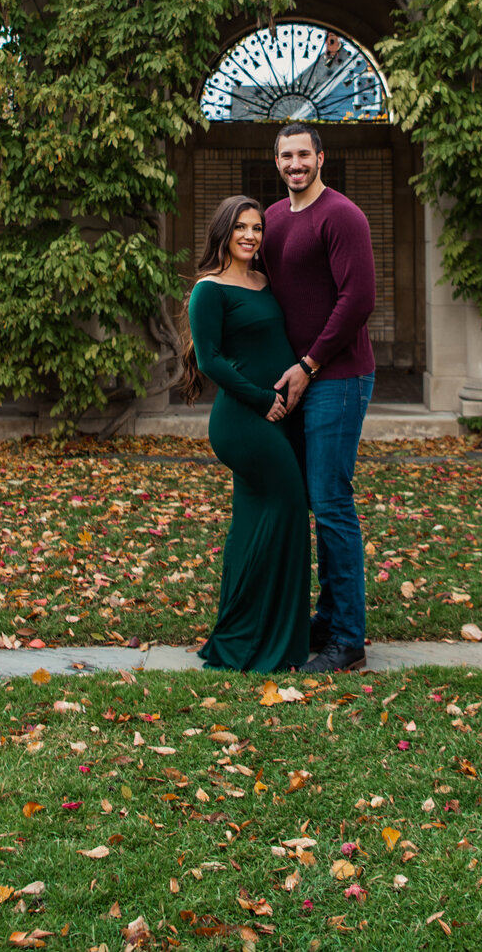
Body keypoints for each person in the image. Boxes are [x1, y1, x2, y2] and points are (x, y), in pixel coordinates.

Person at [261, 120, 375, 673]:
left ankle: (347, 639)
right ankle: (327, 621)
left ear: (321, 158)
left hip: (339, 376)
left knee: (331, 502)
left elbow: (359, 300)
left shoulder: (343, 216)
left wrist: (310, 363)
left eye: (303, 154)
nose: (295, 164)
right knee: (313, 500)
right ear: (276, 161)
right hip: (298, 377)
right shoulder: (274, 219)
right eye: (286, 156)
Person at [185, 195, 310, 673]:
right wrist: (262, 399)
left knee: (253, 521)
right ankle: (257, 636)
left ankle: (250, 630)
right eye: (240, 227)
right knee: (290, 505)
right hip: (243, 420)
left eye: (257, 228)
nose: (250, 236)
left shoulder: (263, 281)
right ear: (224, 231)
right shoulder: (209, 290)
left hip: (276, 414)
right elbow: (209, 359)